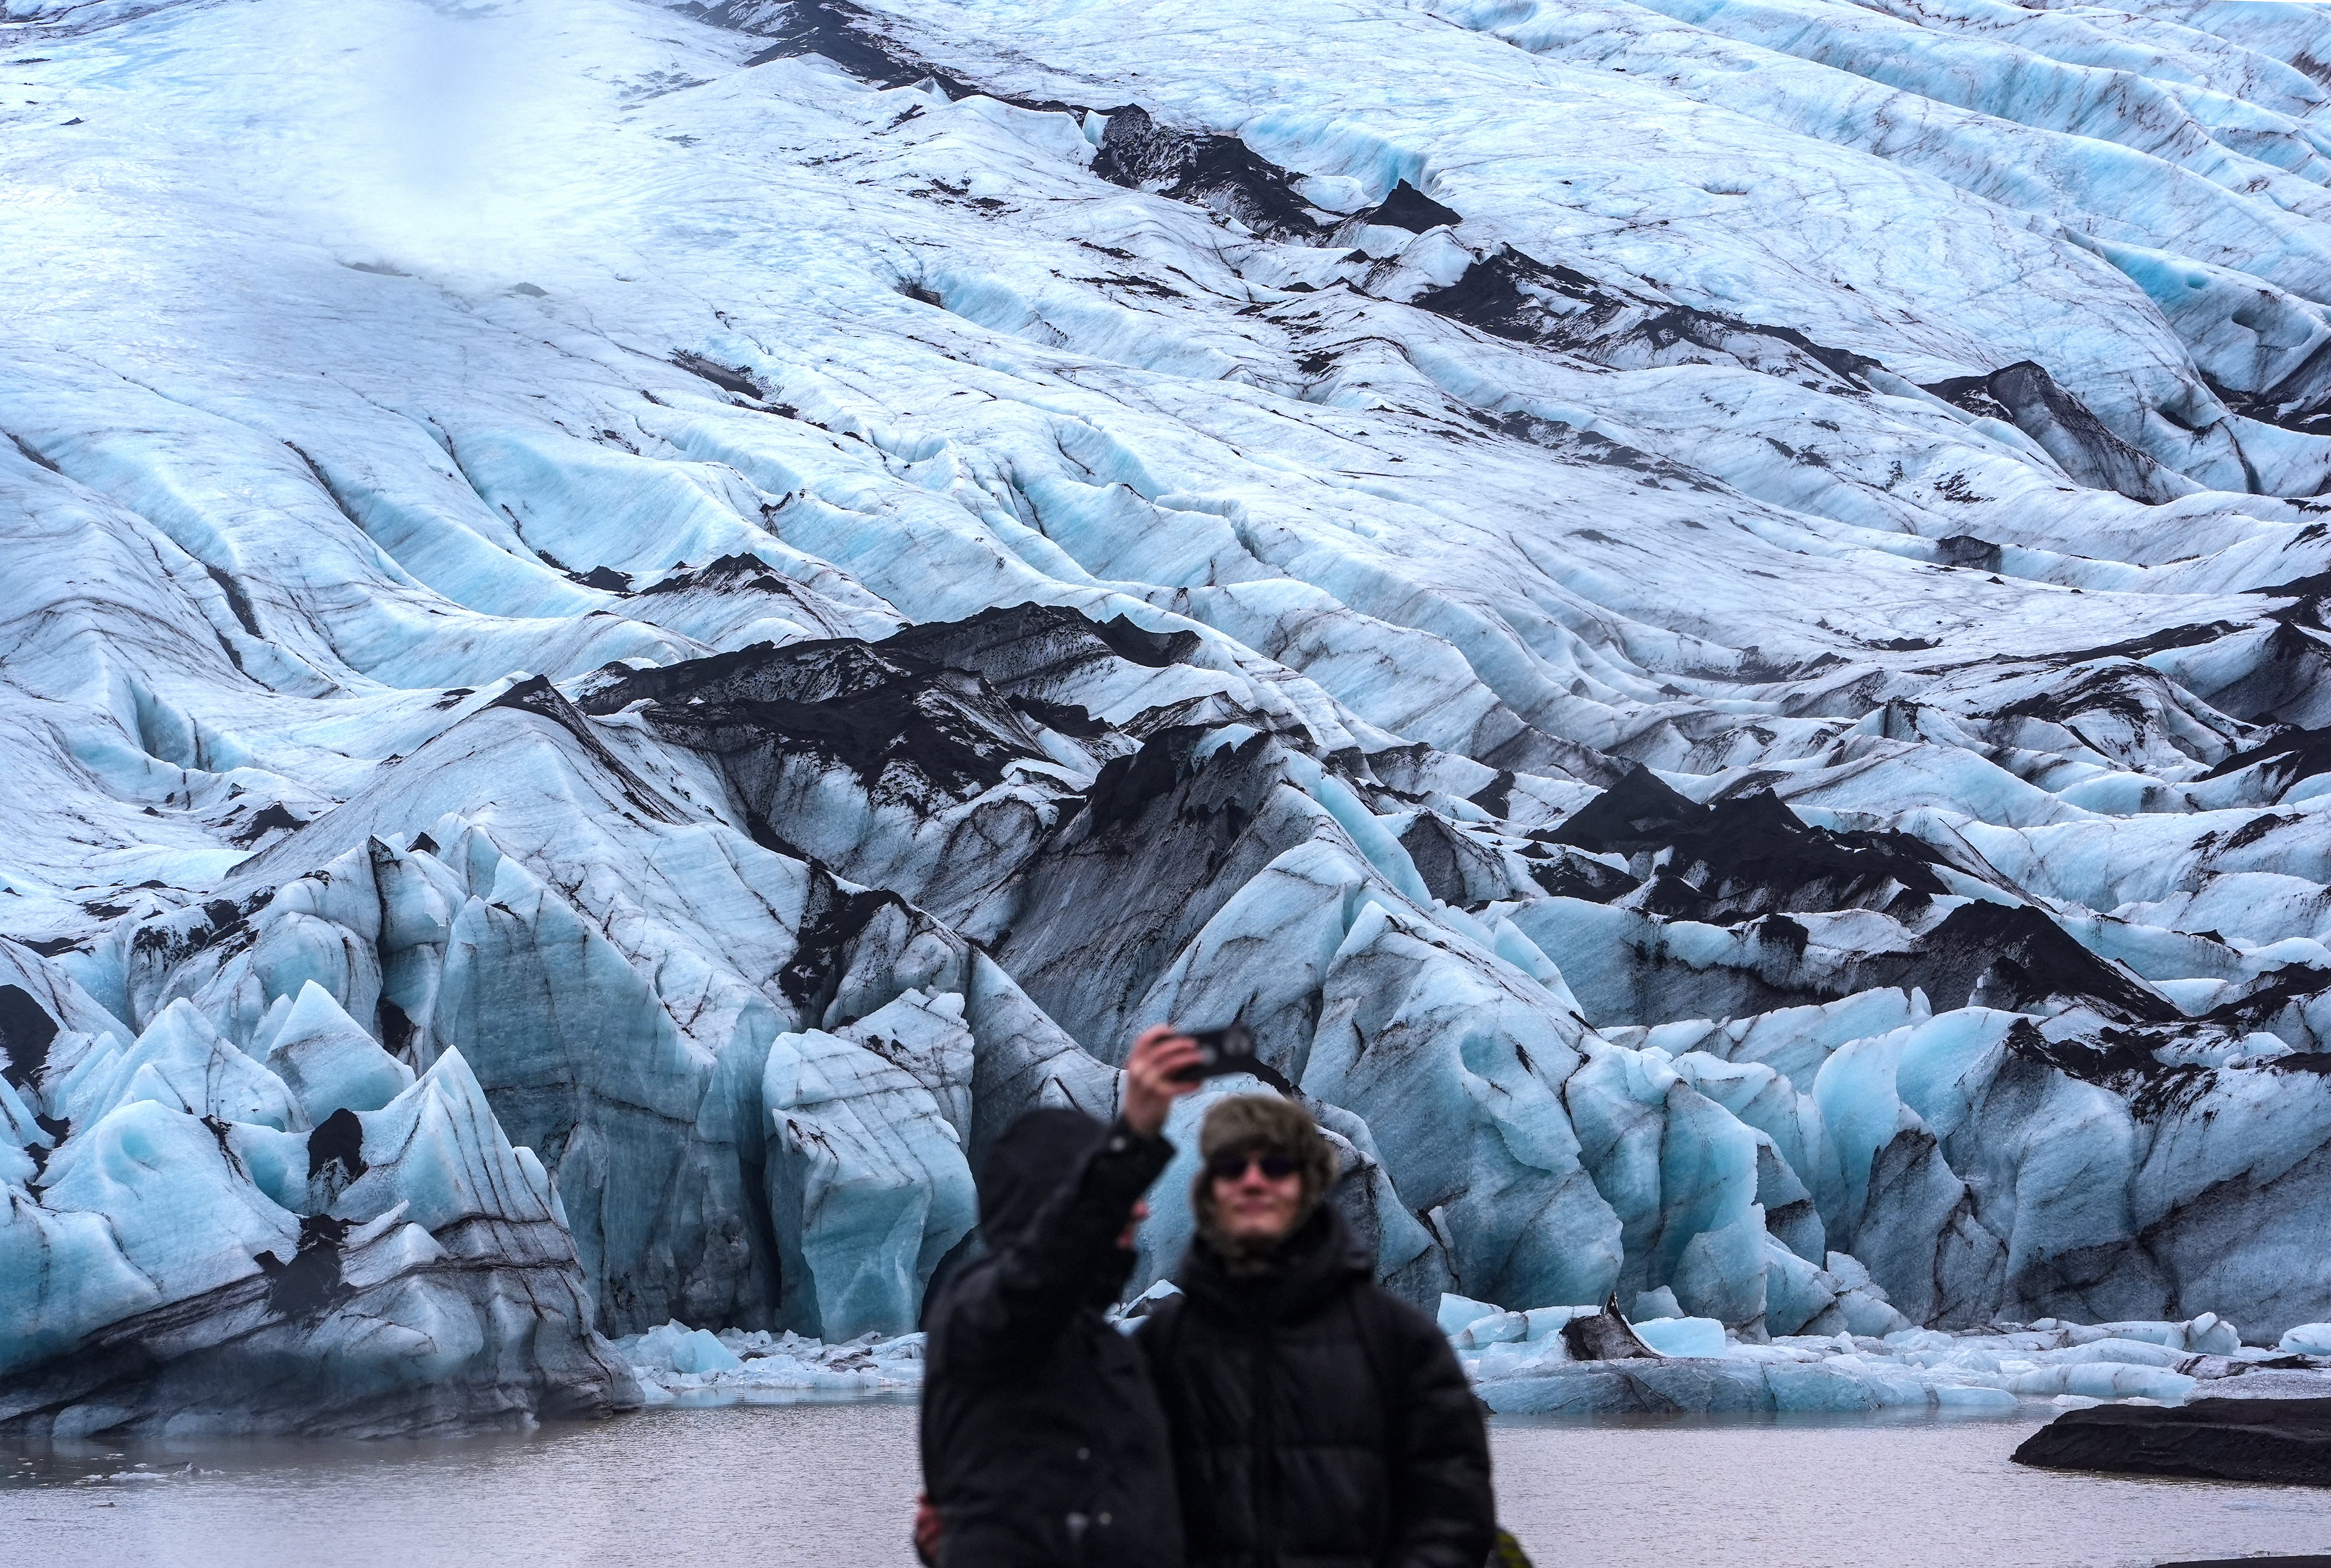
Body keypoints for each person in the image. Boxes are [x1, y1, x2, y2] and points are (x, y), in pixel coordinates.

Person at [1137, 1093, 1497, 1568]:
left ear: (1308, 1184)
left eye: (1275, 1165)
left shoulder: (1398, 1343)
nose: (1252, 1181)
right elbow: (1114, 1504)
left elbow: (1452, 1507)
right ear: (1207, 1188)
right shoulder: (1161, 1346)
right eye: (1231, 1166)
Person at [916, 1024, 1202, 1567]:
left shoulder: (1108, 1351)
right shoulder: (983, 1314)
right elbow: (1043, 1276)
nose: (1141, 1210)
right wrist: (1130, 1146)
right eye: (1123, 1196)